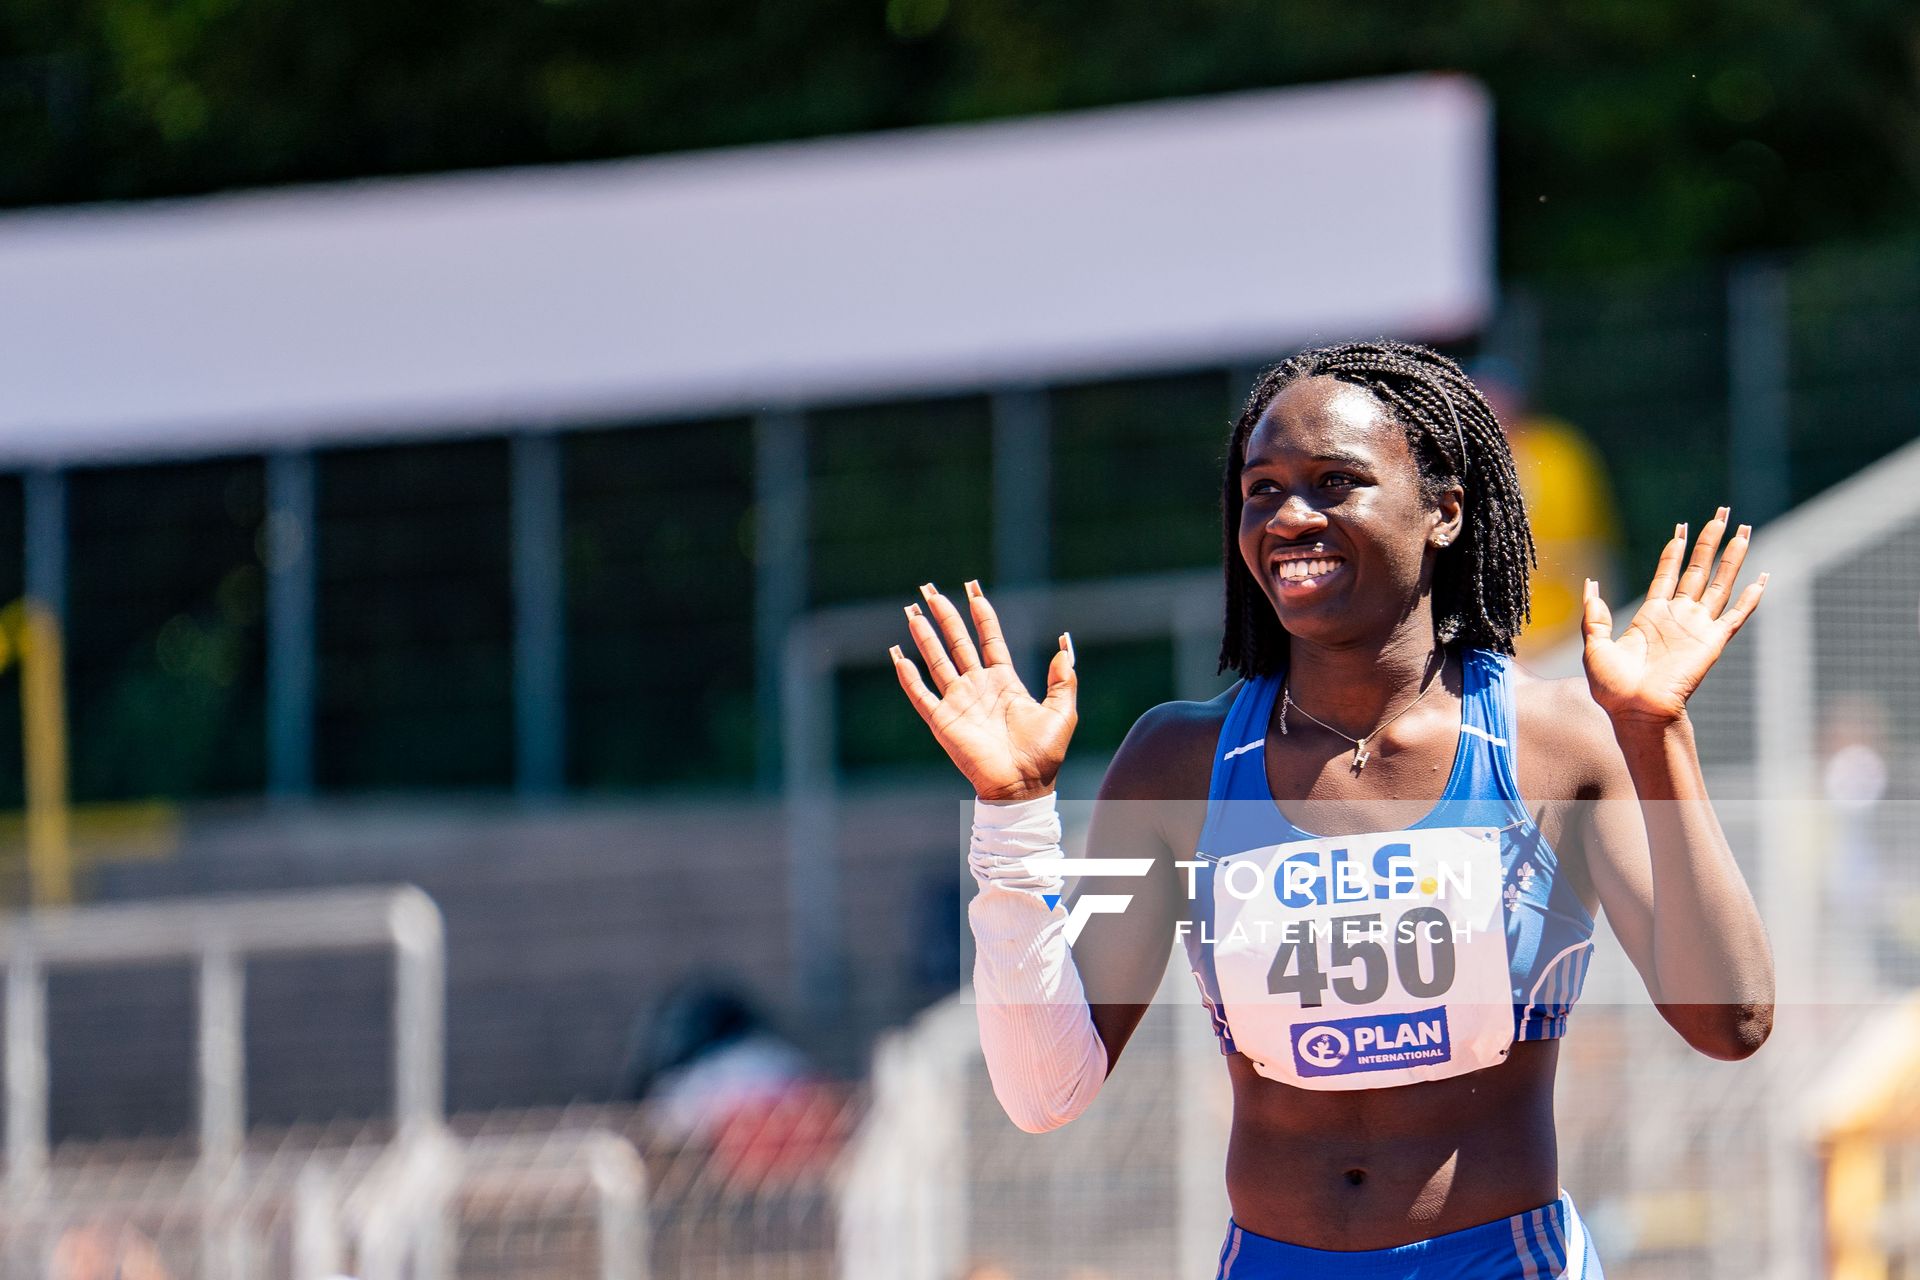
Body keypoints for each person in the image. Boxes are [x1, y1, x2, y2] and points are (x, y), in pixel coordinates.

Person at [889, 340, 1773, 1278]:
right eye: (1261, 489)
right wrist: (1013, 814)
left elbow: (1733, 1022)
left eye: (1335, 482)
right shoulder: (1175, 765)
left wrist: (1653, 730)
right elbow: (1046, 1089)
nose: (1289, 517)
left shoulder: (1556, 744)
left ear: (1444, 510)